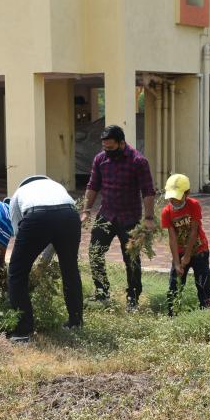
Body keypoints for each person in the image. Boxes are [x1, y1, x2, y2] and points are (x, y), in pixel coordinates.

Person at [81, 124, 156, 311]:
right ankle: (102, 292)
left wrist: (149, 218)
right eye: (105, 147)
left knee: (131, 258)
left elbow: (148, 191)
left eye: (111, 147)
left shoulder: (138, 161)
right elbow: (92, 186)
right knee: (95, 252)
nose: (107, 151)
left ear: (122, 143)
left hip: (129, 218)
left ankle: (133, 297)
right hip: (106, 215)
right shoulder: (100, 159)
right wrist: (86, 210)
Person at [6, 175, 83, 342]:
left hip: (37, 216)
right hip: (70, 215)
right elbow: (58, 221)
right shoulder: (56, 186)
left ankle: (22, 332)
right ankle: (76, 322)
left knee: (17, 273)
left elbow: (19, 233)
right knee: (70, 269)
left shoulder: (17, 194)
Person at [161, 174, 210, 315]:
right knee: (175, 285)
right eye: (171, 197)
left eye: (177, 197)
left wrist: (188, 255)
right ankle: (172, 315)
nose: (173, 200)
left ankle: (206, 312)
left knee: (202, 284)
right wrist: (177, 263)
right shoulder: (166, 212)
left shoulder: (193, 205)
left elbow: (194, 231)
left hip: (199, 250)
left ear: (187, 193)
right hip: (179, 253)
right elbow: (172, 238)